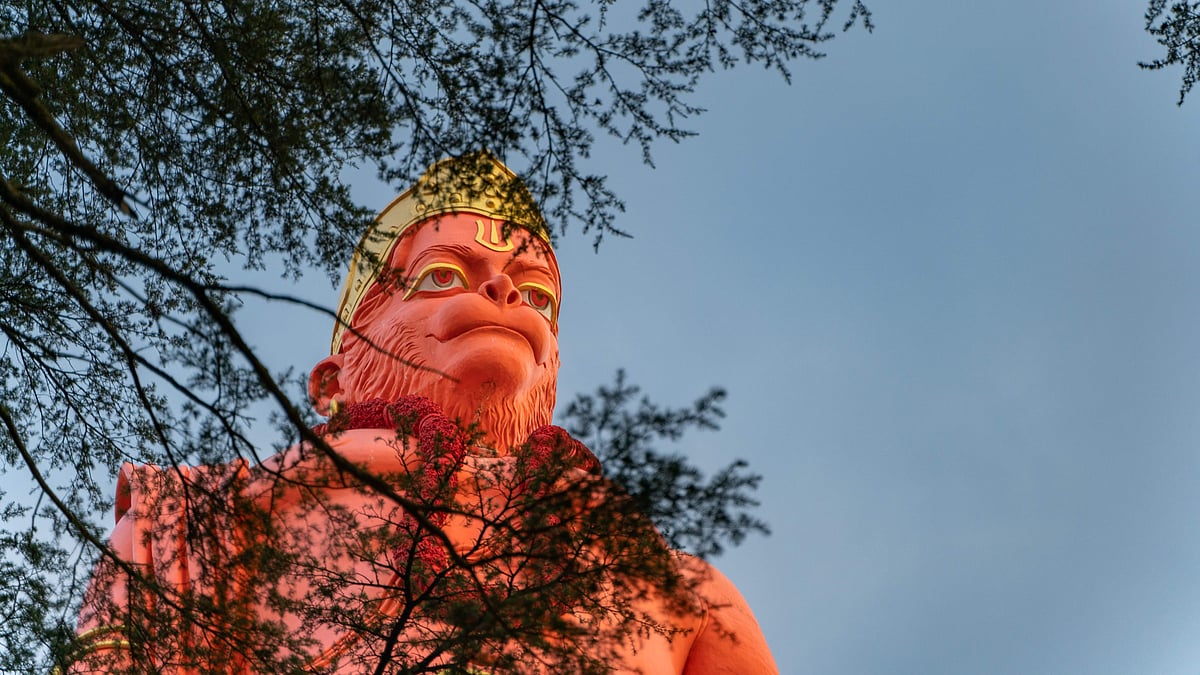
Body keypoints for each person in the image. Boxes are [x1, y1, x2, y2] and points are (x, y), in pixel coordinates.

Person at [71, 153, 778, 674]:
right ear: (333, 377)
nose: (504, 289)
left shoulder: (682, 592)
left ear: (551, 382)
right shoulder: (192, 530)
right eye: (444, 274)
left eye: (538, 297)